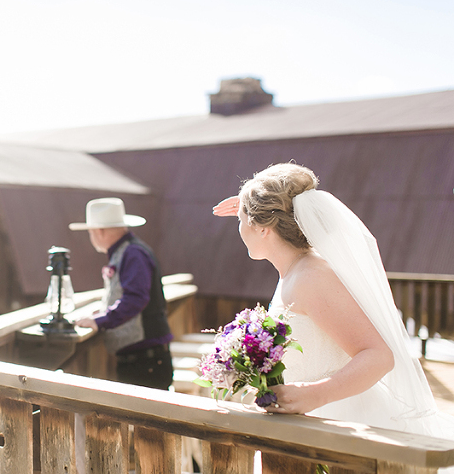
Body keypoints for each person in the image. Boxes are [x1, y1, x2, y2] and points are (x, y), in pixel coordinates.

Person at [213, 162, 454, 438]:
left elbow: (379, 355)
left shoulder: (311, 277)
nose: (239, 227)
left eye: (241, 220)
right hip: (308, 422)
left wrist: (316, 394)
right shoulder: (293, 271)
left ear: (263, 228)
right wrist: (251, 207)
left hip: (341, 422)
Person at [71, 197, 174, 390]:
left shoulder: (133, 254)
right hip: (144, 360)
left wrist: (100, 320)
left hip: (145, 362)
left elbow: (135, 298)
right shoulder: (130, 251)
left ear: (99, 231)